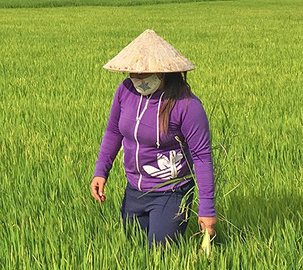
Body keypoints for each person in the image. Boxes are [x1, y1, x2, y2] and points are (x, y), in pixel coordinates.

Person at [90, 30, 217, 246]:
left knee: (160, 254)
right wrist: (101, 171)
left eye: (144, 75)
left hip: (171, 192)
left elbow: (202, 156)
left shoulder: (186, 105)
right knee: (133, 251)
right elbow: (113, 131)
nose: (137, 80)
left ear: (163, 73)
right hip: (134, 190)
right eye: (133, 74)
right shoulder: (125, 91)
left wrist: (207, 208)